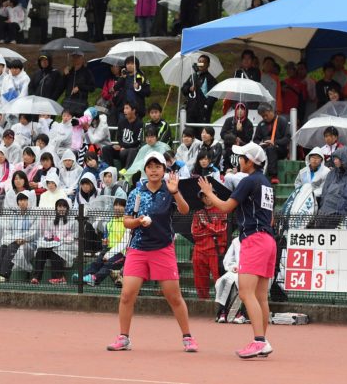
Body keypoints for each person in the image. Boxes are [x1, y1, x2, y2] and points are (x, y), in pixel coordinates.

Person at [106, 152, 198, 353]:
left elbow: (184, 210)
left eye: (158, 166)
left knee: (174, 297)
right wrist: (138, 222)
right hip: (138, 249)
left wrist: (175, 192)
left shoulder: (170, 190)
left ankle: (188, 337)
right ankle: (124, 337)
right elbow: (127, 221)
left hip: (163, 249)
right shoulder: (136, 193)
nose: (154, 170)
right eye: (150, 166)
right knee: (127, 294)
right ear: (145, 170)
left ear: (164, 170)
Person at [198, 143, 275, 358]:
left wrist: (207, 192)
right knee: (261, 296)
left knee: (245, 292)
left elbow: (224, 207)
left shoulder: (248, 181)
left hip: (254, 240)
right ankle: (263, 341)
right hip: (268, 240)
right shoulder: (265, 182)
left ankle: (259, 341)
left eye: (241, 157)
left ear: (249, 161)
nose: (238, 160)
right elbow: (270, 217)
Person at [79, 198, 130, 286]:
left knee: (108, 264)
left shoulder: (128, 222)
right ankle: (82, 277)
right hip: (108, 248)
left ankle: (95, 279)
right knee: (97, 262)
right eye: (116, 205)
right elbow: (106, 237)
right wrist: (105, 242)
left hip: (121, 252)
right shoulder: (109, 222)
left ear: (126, 208)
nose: (117, 207)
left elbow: (126, 241)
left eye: (121, 205)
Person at [0, 192, 35, 282]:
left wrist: (23, 239)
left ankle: (4, 274)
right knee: (3, 247)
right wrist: (12, 239)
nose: (22, 202)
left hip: (28, 243)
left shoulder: (33, 215)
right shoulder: (14, 216)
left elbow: (34, 232)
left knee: (11, 247)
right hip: (14, 240)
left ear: (29, 201)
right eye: (20, 200)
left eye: (25, 200)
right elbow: (8, 230)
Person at [31, 198, 77, 285]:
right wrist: (49, 238)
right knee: (41, 251)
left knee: (56, 250)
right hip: (53, 244)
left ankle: (59, 277)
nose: (61, 208)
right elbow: (47, 233)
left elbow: (72, 237)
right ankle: (36, 277)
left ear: (67, 208)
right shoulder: (52, 220)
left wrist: (61, 239)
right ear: (56, 208)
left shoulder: (72, 221)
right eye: (59, 206)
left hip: (67, 245)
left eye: (64, 206)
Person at [191, 190, 227, 300]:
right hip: (199, 251)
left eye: (209, 195)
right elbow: (195, 233)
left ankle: (221, 304)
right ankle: (203, 301)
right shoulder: (198, 214)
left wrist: (206, 224)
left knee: (219, 278)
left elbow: (222, 229)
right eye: (204, 196)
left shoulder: (223, 211)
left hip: (216, 250)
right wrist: (212, 230)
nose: (207, 198)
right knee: (200, 279)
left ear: (215, 195)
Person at [253, 103, 290, 184]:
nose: (265, 118)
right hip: (265, 148)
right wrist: (261, 143)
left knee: (271, 148)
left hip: (279, 148)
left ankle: (273, 175)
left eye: (266, 115)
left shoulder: (282, 121)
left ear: (271, 111)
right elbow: (255, 140)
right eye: (263, 116)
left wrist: (274, 142)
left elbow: (287, 138)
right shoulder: (261, 124)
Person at [101, 102, 143, 173]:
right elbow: (119, 138)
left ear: (133, 110)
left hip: (131, 150)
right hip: (121, 148)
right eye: (124, 108)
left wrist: (124, 147)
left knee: (131, 151)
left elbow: (137, 141)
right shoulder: (121, 122)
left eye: (127, 108)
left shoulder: (139, 124)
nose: (124, 111)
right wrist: (121, 146)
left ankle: (126, 171)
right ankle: (111, 171)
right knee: (106, 149)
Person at [181, 54, 218, 130]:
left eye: (203, 62)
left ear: (208, 65)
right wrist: (189, 89)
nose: (200, 63)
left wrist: (206, 106)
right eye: (199, 61)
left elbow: (214, 96)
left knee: (201, 134)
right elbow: (183, 89)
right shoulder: (193, 76)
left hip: (203, 113)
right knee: (189, 132)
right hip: (191, 111)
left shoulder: (211, 79)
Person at [317, 147, 347, 223]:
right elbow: (325, 191)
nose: (335, 161)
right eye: (334, 159)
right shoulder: (332, 173)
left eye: (337, 159)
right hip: (326, 209)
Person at [114, 56, 151, 121]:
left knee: (136, 129)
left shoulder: (141, 77)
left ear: (136, 65)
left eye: (132, 63)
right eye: (128, 64)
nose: (129, 65)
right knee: (123, 130)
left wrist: (138, 88)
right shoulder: (124, 76)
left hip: (137, 111)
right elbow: (115, 88)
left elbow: (148, 92)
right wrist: (122, 78)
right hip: (124, 110)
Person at [62, 51, 95, 116]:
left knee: (77, 125)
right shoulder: (69, 71)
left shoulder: (87, 72)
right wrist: (65, 75)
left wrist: (79, 87)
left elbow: (92, 88)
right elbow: (62, 85)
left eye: (78, 57)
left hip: (80, 104)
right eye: (74, 57)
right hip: (68, 103)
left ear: (82, 58)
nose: (75, 58)